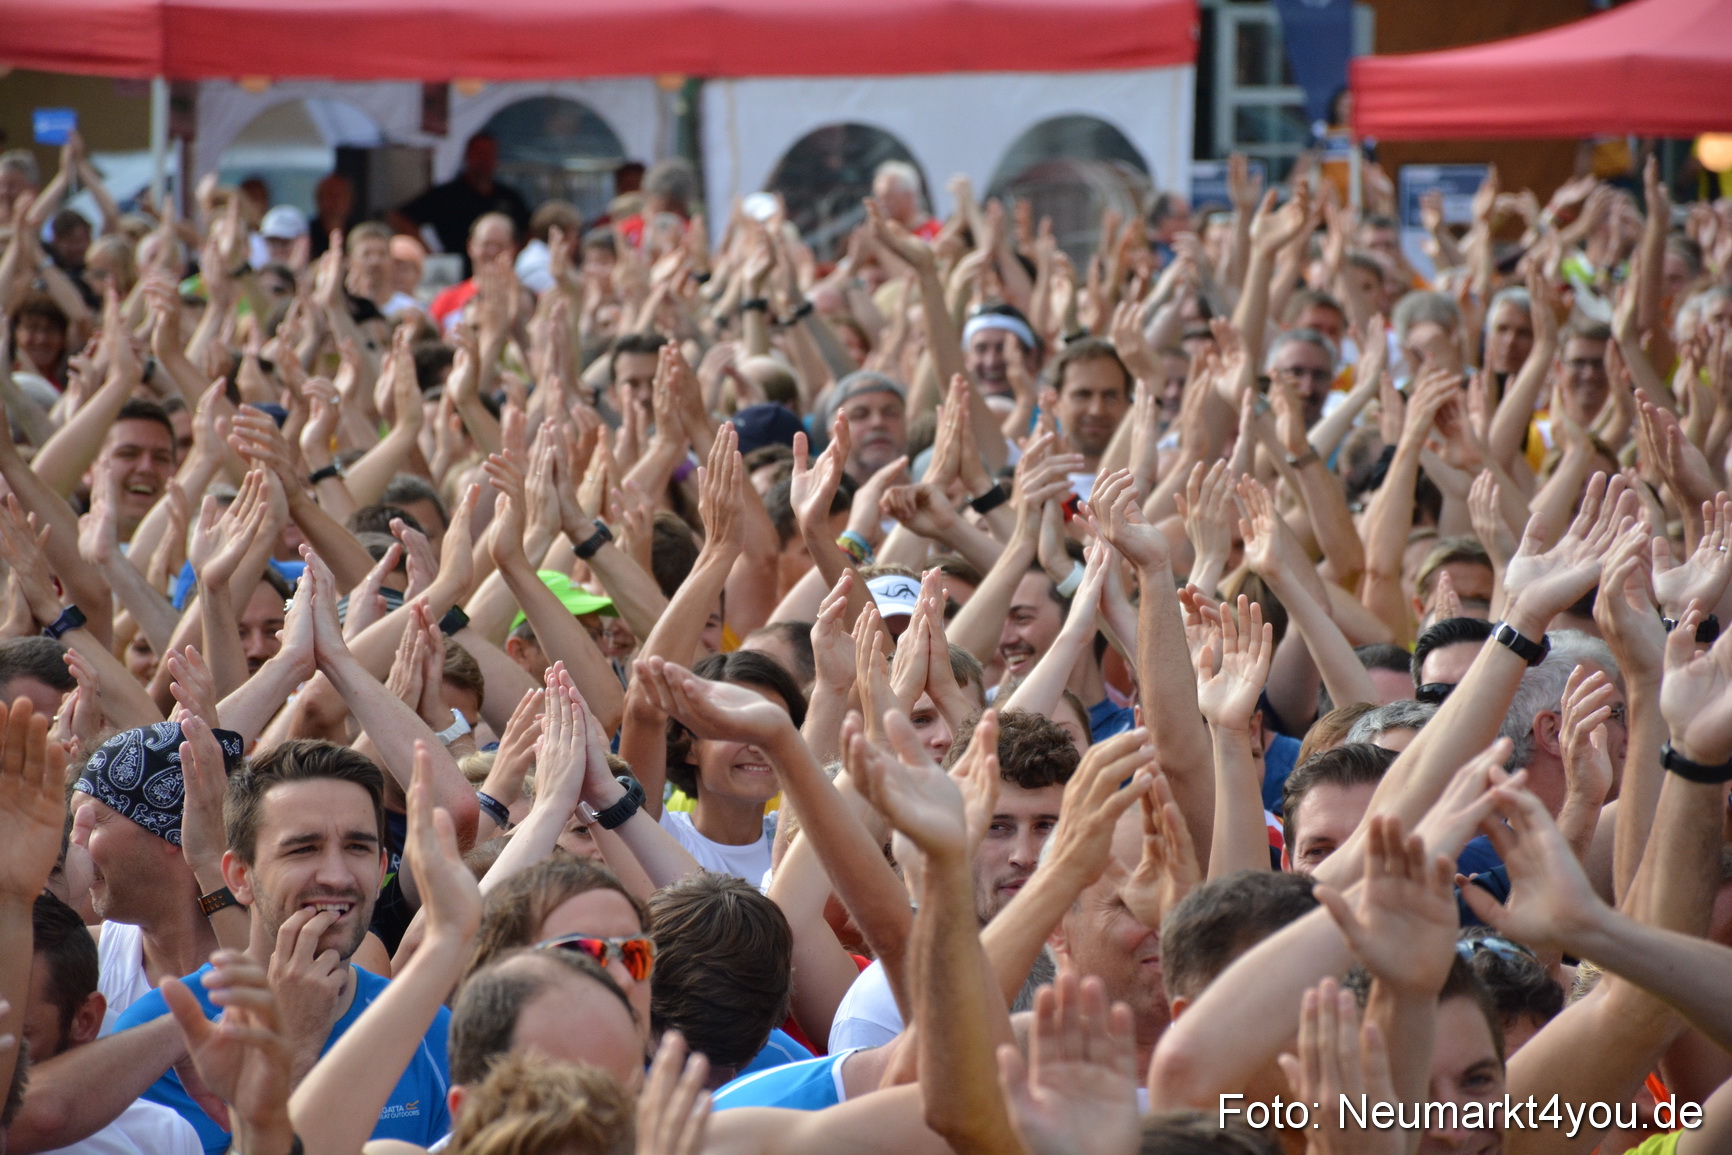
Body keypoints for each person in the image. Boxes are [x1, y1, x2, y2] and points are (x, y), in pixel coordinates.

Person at [112, 739, 453, 1154]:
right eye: (303, 849)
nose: (336, 876)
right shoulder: (163, 1031)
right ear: (239, 875)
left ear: (382, 869)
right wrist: (293, 1047)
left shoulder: (429, 1030)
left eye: (357, 847)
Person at [391, 134, 530, 271]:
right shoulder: (447, 195)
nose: (484, 160)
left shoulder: (508, 196)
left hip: (501, 273)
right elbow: (400, 218)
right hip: (456, 274)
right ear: (467, 156)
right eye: (479, 154)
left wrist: (518, 257)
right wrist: (429, 255)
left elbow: (529, 229)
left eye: (489, 154)